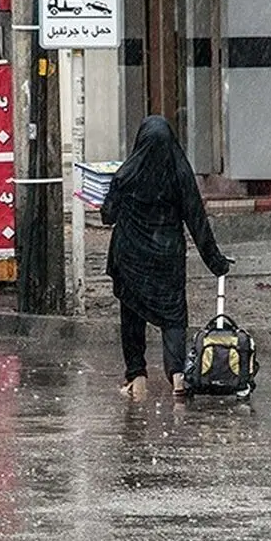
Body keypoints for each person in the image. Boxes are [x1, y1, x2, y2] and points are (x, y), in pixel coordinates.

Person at [100, 115, 232, 401]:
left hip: (130, 258)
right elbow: (197, 220)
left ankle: (136, 377)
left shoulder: (126, 174)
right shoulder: (179, 173)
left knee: (132, 315)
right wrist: (216, 262)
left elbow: (107, 215)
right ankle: (177, 376)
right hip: (166, 257)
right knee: (173, 317)